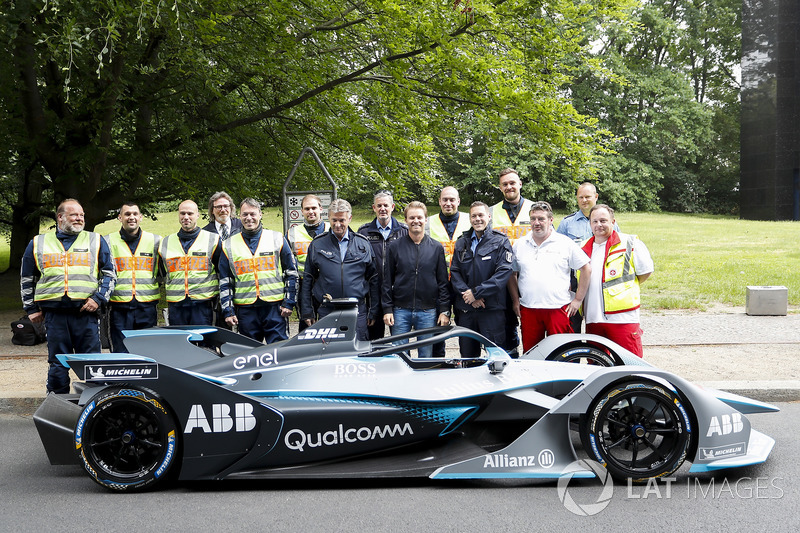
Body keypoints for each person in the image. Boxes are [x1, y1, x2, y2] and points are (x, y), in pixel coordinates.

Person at [20, 199, 116, 393]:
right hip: (54, 315)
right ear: (60, 217)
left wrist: (98, 299)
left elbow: (110, 274)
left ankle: (94, 404)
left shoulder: (96, 240)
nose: (79, 218)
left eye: (81, 215)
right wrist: (31, 309)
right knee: (57, 362)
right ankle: (56, 402)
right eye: (74, 215)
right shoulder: (38, 243)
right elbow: (26, 278)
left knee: (91, 363)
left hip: (86, 313)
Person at [508, 201, 591, 353]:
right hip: (529, 308)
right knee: (532, 354)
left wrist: (578, 300)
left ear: (551, 220)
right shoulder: (520, 244)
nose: (536, 223)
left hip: (558, 308)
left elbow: (586, 268)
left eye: (541, 219)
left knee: (560, 354)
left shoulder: (564, 243)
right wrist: (515, 301)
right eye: (533, 219)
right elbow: (511, 274)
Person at [219, 198, 298, 344]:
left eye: (253, 214)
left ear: (260, 214)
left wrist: (289, 302)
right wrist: (228, 310)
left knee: (279, 350)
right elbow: (225, 281)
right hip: (245, 309)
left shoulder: (277, 238)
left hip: (275, 307)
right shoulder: (228, 245)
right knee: (247, 352)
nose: (249, 218)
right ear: (239, 216)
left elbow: (291, 273)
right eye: (245, 214)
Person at [581, 204, 654, 357]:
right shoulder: (583, 247)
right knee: (596, 363)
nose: (598, 225)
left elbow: (645, 272)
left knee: (629, 363)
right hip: (593, 318)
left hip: (622, 318)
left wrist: (626, 288)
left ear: (613, 222)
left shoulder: (630, 243)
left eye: (603, 221)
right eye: (594, 221)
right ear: (590, 223)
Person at [302, 199, 379, 341]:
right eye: (334, 220)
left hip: (357, 310)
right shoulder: (317, 244)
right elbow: (308, 279)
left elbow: (373, 280)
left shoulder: (362, 243)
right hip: (327, 310)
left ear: (349, 218)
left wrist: (373, 311)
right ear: (328, 218)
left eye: (342, 220)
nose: (337, 225)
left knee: (358, 352)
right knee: (328, 352)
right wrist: (307, 311)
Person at [383, 202, 450, 357]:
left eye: (419, 217)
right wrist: (387, 309)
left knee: (426, 356)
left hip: (428, 311)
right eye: (411, 217)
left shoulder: (436, 247)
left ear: (425, 219)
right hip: (400, 310)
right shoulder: (395, 247)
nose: (416, 221)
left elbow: (442, 282)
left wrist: (444, 310)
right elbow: (387, 281)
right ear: (406, 220)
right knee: (400, 357)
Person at [450, 202, 513, 357]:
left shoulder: (500, 241)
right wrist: (470, 297)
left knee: (496, 356)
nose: (477, 219)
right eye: (474, 216)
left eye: (481, 215)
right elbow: (455, 272)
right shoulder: (462, 242)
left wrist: (477, 293)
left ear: (489, 217)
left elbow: (503, 273)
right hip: (467, 310)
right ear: (470, 219)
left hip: (491, 308)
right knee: (468, 357)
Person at [556, 182, 620, 333]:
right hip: (575, 280)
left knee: (600, 324)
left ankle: (598, 356)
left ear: (596, 197)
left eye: (588, 197)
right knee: (572, 324)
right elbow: (558, 251)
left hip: (601, 278)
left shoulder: (609, 222)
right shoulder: (567, 223)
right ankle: (573, 356)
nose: (584, 200)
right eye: (581, 197)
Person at [104, 202, 161, 352]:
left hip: (147, 305)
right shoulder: (107, 241)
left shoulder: (155, 241)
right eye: (127, 214)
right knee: (119, 350)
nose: (131, 217)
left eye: (135, 214)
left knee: (148, 350)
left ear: (141, 217)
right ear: (119, 217)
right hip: (118, 306)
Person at [490, 168, 533, 357]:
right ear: (500, 187)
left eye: (512, 183)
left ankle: (533, 355)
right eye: (505, 184)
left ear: (520, 184)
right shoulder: (491, 212)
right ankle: (511, 355)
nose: (509, 187)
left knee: (530, 319)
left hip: (530, 275)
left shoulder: (534, 208)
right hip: (501, 276)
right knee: (505, 320)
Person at [425, 186, 472, 356]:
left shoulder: (469, 219)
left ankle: (467, 361)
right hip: (438, 285)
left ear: (458, 201)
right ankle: (438, 364)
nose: (448, 203)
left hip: (463, 285)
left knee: (465, 330)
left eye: (452, 199)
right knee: (438, 330)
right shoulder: (428, 222)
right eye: (444, 199)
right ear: (439, 201)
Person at [159, 200, 221, 326]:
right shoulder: (165, 242)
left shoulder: (212, 240)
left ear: (197, 215)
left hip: (204, 304)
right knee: (179, 344)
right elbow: (162, 272)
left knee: (205, 344)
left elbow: (222, 272)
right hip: (176, 305)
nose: (186, 217)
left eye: (190, 213)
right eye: (182, 213)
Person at [357, 190, 408, 340]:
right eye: (379, 205)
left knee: (400, 340)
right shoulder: (364, 232)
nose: (382, 209)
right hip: (372, 294)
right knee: (373, 340)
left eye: (386, 205)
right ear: (374, 208)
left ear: (392, 206)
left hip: (397, 294)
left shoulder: (404, 232)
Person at [287, 194, 329, 332]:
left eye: (314, 208)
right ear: (302, 211)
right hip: (304, 286)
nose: (311, 211)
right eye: (307, 209)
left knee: (328, 323)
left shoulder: (331, 229)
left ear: (321, 209)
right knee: (306, 324)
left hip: (327, 284)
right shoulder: (292, 233)